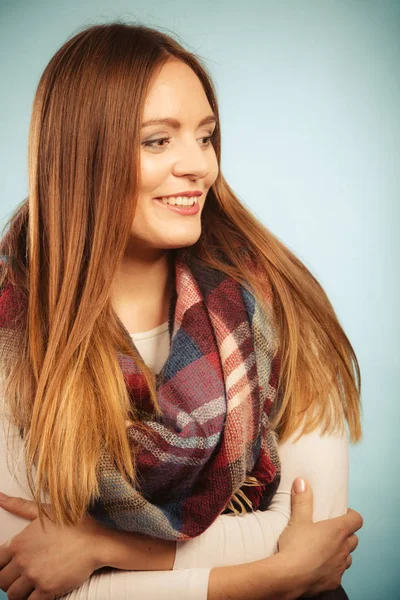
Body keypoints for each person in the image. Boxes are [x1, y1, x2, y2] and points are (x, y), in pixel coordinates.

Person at [0, 22, 363, 600]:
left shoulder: (277, 303)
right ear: (80, 156)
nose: (199, 166)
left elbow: (317, 532)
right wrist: (278, 575)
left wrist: (99, 545)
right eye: (157, 140)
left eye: (205, 136)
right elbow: (38, 577)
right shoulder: (13, 330)